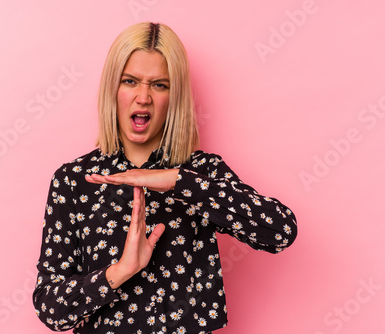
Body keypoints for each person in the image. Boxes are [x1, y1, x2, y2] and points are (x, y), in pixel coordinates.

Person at [32, 22, 297, 334]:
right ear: (113, 89)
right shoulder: (75, 181)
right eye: (130, 81)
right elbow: (51, 308)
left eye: (159, 85)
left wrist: (178, 181)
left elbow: (280, 231)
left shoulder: (201, 173)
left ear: (174, 97)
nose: (143, 97)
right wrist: (120, 272)